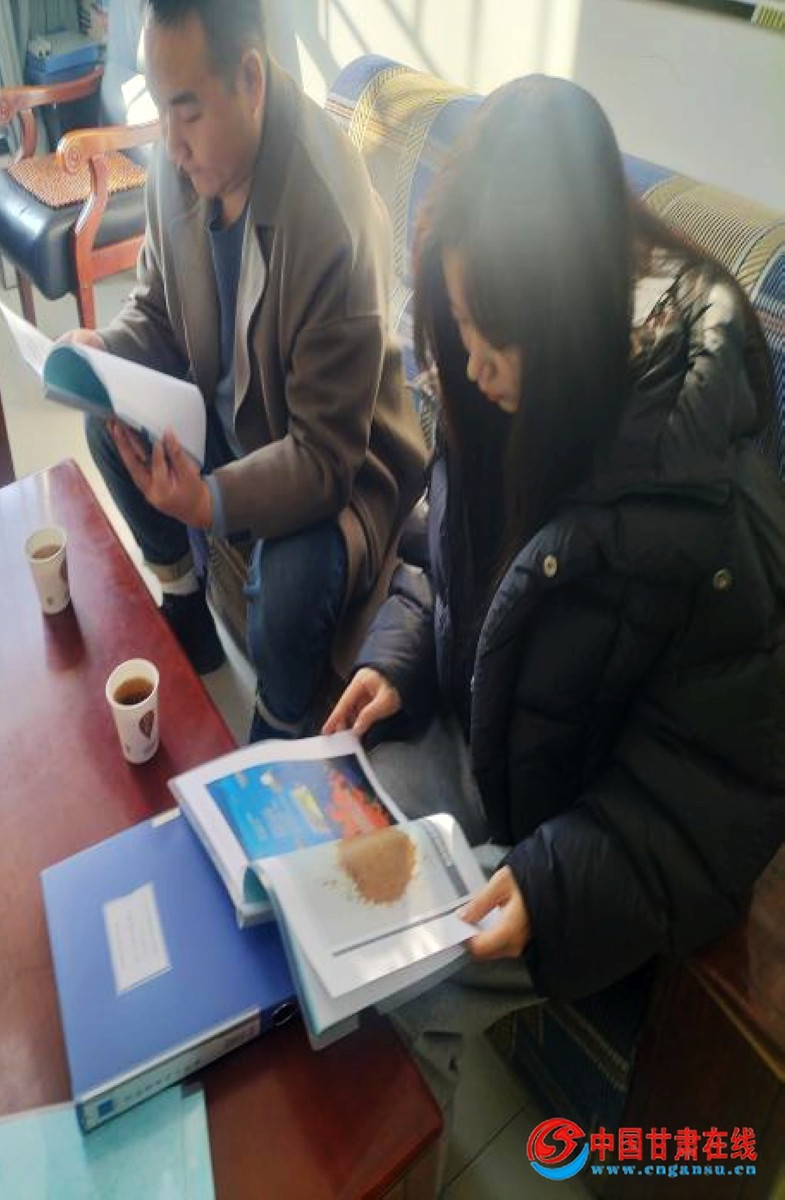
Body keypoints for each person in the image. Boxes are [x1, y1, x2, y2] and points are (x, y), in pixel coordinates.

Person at [323, 73, 785, 1164]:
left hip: (581, 836)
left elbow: (714, 787)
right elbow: (439, 543)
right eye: (460, 328)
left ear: (576, 314)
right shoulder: (500, 381)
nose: (472, 367)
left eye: (496, 341)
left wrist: (554, 881)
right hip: (487, 745)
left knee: (396, 991)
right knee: (317, 861)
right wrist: (400, 652)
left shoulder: (703, 495)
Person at [63, 0, 426, 740]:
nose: (170, 142)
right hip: (229, 418)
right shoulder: (182, 163)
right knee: (105, 418)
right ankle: (185, 602)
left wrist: (208, 500)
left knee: (293, 577)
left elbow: (324, 458)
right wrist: (105, 352)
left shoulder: (328, 215)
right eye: (159, 108)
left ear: (251, 81)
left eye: (187, 111)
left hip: (336, 464)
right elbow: (158, 309)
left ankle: (280, 728)